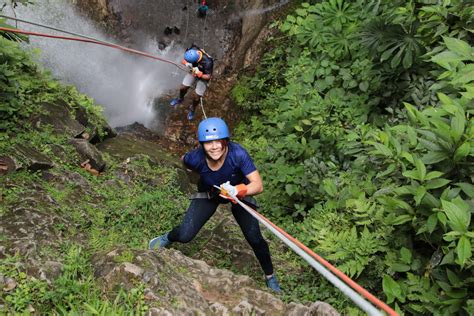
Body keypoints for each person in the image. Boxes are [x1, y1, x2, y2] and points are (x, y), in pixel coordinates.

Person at [149, 117, 282, 293]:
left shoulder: (238, 154)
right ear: (202, 144)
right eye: (208, 143)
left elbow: (258, 185)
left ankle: (270, 277)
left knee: (255, 238)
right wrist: (193, 172)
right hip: (210, 195)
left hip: (238, 195)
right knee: (185, 234)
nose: (214, 147)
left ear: (225, 140)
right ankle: (168, 237)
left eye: (218, 141)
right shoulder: (195, 158)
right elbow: (184, 161)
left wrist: (238, 190)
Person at [170, 45, 213, 120]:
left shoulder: (208, 62)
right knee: (183, 87)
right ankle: (180, 98)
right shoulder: (193, 50)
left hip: (203, 75)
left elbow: (208, 76)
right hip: (194, 70)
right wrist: (186, 63)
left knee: (197, 96)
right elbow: (186, 58)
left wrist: (200, 74)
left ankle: (192, 108)